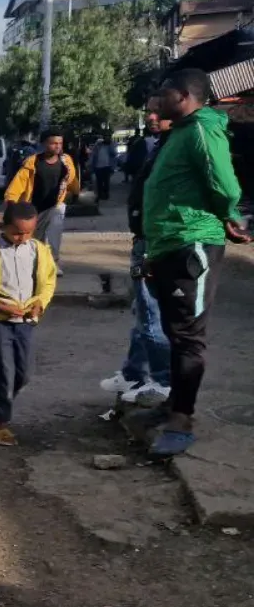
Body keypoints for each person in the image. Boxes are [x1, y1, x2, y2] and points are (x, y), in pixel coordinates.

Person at [140, 68, 252, 457]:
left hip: (193, 245)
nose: (158, 100)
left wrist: (228, 213)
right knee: (175, 330)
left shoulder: (203, 129)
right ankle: (173, 404)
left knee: (188, 334)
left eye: (163, 93)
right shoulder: (183, 130)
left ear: (183, 95)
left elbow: (224, 184)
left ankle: (182, 420)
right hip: (171, 242)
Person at [0, 202, 57, 447]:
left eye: (28, 232)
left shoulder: (39, 250)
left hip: (25, 322)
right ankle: (0, 426)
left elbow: (48, 282)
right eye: (17, 232)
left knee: (24, 374)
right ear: (4, 227)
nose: (22, 237)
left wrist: (40, 303)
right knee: (2, 372)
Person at [100, 96, 174, 406]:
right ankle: (134, 372)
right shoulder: (156, 145)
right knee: (141, 309)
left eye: (158, 112)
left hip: (153, 246)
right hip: (142, 244)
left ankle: (162, 380)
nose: (152, 117)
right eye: (149, 113)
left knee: (149, 311)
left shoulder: (173, 147)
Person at [4, 131, 80, 273]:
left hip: (55, 206)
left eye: (60, 143)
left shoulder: (66, 161)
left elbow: (72, 178)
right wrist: (11, 202)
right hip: (33, 209)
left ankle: (53, 263)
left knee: (55, 230)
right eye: (53, 143)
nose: (57, 146)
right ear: (44, 144)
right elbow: (18, 183)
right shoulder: (33, 162)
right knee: (33, 241)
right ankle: (31, 265)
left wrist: (76, 192)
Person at [90, 136, 117, 201]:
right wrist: (91, 166)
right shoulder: (97, 147)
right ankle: (99, 195)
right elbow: (93, 156)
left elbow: (114, 154)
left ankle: (106, 195)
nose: (101, 142)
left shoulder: (109, 147)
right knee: (99, 182)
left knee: (106, 182)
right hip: (98, 167)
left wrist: (110, 144)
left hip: (106, 167)